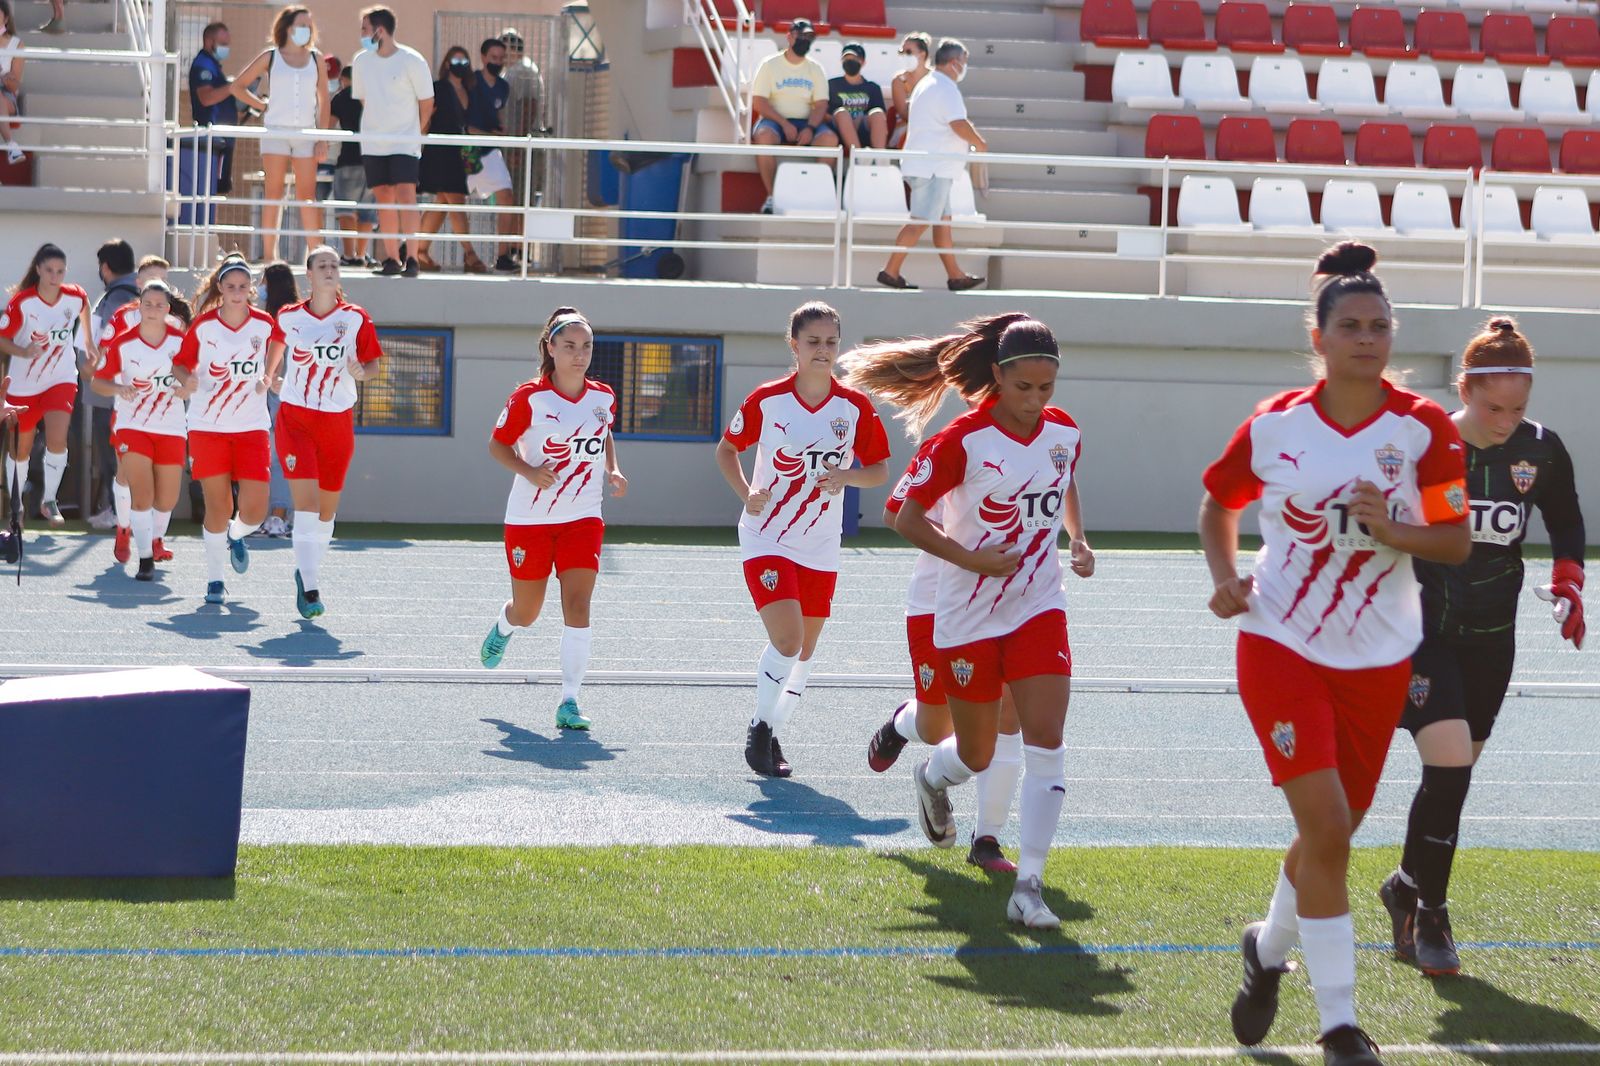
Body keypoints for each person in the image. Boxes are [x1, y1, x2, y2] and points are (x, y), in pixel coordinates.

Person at [1199, 243, 1471, 1066]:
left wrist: (1395, 531)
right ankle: (1339, 1024)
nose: (1367, 337)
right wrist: (1224, 577)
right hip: (1280, 641)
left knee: (1337, 830)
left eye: (1380, 325)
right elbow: (1219, 503)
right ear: (1316, 336)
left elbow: (1455, 542)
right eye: (1350, 325)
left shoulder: (1422, 429)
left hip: (1380, 656)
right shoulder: (1276, 425)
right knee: (1327, 828)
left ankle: (1265, 947)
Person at [845, 312, 1092, 928]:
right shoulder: (961, 441)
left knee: (1046, 740)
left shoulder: (1064, 432)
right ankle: (931, 773)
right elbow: (900, 514)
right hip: (962, 613)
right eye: (1023, 389)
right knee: (964, 746)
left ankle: (1026, 882)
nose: (1036, 402)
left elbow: (1060, 478)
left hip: (1038, 605)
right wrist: (974, 558)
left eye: (1047, 389)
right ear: (997, 380)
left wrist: (1079, 541)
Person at [1380, 317, 1586, 978]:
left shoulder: (1542, 450)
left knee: (1455, 777)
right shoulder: (1425, 443)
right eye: (1492, 406)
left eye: (1517, 407)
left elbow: (1566, 516)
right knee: (1447, 767)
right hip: (1424, 631)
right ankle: (1433, 913)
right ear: (1463, 387)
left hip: (1493, 638)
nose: (1505, 420)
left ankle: (1404, 886)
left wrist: (1569, 581)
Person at [714, 302, 891, 777]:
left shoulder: (853, 407)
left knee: (805, 652)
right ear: (794, 345)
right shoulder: (767, 400)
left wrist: (847, 476)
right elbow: (727, 450)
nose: (823, 350)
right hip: (767, 535)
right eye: (813, 341)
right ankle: (759, 732)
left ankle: (770, 732)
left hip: (821, 545)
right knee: (788, 640)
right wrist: (746, 492)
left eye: (831, 342)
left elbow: (878, 471)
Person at [864, 430, 1026, 874]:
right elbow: (895, 511)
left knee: (1008, 714)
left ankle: (988, 839)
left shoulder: (1051, 436)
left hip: (1008, 604)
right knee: (937, 727)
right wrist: (969, 550)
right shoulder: (953, 443)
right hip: (940, 603)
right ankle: (902, 724)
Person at [479, 307, 627, 734]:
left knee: (578, 605)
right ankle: (505, 625)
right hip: (530, 520)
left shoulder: (603, 396)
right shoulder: (529, 397)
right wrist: (529, 472)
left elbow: (604, 431)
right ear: (551, 348)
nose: (579, 355)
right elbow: (497, 446)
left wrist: (611, 468)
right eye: (569, 347)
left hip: (583, 516)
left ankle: (569, 700)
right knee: (528, 611)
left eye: (586, 347)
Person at [270, 247, 383, 618]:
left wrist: (360, 373)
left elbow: (373, 365)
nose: (331, 270)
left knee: (326, 514)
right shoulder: (289, 317)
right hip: (296, 418)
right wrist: (270, 376)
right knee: (307, 504)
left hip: (337, 419)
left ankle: (306, 573)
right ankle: (313, 586)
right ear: (309, 274)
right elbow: (275, 348)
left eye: (335, 265)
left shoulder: (355, 318)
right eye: (323, 265)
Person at [172, 255, 283, 605]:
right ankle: (215, 580)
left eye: (243, 286)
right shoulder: (203, 326)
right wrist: (187, 380)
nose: (237, 292)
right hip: (208, 426)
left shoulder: (265, 324)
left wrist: (272, 377)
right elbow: (180, 365)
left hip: (251, 426)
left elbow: (278, 355)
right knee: (217, 507)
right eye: (230, 286)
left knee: (254, 512)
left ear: (252, 289)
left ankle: (236, 535)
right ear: (220, 288)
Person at [90, 281, 193, 581]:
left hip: (171, 427)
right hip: (132, 425)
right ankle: (145, 557)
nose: (153, 310)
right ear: (139, 306)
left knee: (167, 499)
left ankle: (152, 537)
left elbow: (191, 377)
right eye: (147, 304)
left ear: (168, 309)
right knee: (142, 494)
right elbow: (98, 381)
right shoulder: (123, 342)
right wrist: (119, 388)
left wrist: (187, 387)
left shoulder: (180, 341)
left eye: (159, 305)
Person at [0, 243, 96, 527]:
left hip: (61, 378)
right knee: (21, 449)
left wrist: (88, 341)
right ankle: (16, 503)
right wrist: (23, 352)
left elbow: (85, 305)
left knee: (58, 437)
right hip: (24, 384)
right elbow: (3, 338)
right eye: (50, 270)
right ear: (39, 270)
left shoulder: (73, 296)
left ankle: (49, 499)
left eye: (60, 271)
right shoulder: (23, 302)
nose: (55, 276)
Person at [879, 38, 985, 293]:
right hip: (933, 168)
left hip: (931, 166)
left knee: (942, 224)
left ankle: (955, 275)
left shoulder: (928, 83)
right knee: (921, 221)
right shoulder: (945, 88)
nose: (964, 68)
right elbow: (958, 123)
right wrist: (980, 144)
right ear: (954, 63)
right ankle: (890, 270)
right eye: (964, 63)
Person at [230, 6, 332, 264]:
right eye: (301, 25)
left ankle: (315, 253)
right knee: (273, 192)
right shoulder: (271, 56)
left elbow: (324, 99)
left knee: (307, 195)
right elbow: (237, 86)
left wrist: (322, 137)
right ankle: (269, 256)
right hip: (275, 131)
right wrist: (263, 106)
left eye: (309, 26)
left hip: (306, 133)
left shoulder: (316, 58)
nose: (306, 30)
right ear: (287, 27)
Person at [98, 255, 178, 563]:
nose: (158, 284)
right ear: (139, 284)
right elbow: (106, 355)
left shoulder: (174, 323)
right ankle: (123, 528)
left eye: (164, 279)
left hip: (164, 413)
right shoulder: (122, 316)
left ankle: (155, 539)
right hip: (129, 407)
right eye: (151, 278)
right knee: (126, 474)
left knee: (163, 482)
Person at [351, 5, 433, 278]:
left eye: (365, 29)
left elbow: (427, 101)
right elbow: (364, 98)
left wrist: (416, 132)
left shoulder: (412, 60)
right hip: (373, 142)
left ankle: (412, 257)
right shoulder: (361, 61)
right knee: (383, 197)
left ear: (380, 30)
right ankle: (391, 258)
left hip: (404, 143)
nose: (361, 34)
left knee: (406, 196)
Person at [749, 20, 839, 214]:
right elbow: (759, 102)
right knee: (763, 136)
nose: (805, 41)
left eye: (809, 37)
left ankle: (815, 197)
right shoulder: (769, 65)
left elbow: (821, 104)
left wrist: (810, 128)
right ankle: (773, 197)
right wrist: (784, 123)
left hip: (807, 122)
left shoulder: (816, 68)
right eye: (802, 36)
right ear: (789, 37)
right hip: (775, 121)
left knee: (830, 140)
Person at [415, 46, 488, 275]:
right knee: (455, 201)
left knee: (443, 203)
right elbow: (426, 115)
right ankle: (470, 254)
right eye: (455, 59)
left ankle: (419, 251)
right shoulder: (438, 88)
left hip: (457, 152)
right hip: (439, 151)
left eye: (464, 59)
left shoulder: (469, 89)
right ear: (447, 63)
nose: (460, 63)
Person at [87, 239, 140, 534]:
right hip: (143, 390)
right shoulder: (146, 293)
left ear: (105, 267)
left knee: (113, 456)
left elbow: (109, 342)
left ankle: (116, 511)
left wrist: (93, 370)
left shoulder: (113, 300)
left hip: (112, 392)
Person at [464, 37, 522, 273]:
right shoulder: (470, 83)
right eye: (493, 58)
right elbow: (467, 124)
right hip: (467, 152)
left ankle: (502, 256)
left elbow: (497, 113)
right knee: (446, 201)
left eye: (501, 58)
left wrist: (500, 130)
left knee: (506, 196)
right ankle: (416, 250)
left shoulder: (503, 87)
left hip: (490, 151)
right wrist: (489, 133)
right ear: (483, 57)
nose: (497, 62)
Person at [257, 261, 300, 539]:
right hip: (266, 395)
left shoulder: (291, 319)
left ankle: (279, 516)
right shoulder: (261, 319)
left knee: (281, 459)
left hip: (285, 397)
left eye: (262, 281)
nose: (257, 288)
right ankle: (269, 516)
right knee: (268, 458)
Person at [328, 64, 376, 267]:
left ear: (345, 79)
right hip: (374, 159)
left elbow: (327, 126)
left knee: (346, 210)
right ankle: (361, 254)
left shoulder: (342, 97)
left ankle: (348, 254)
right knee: (367, 211)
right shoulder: (375, 95)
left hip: (348, 159)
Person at [188, 23, 238, 206]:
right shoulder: (203, 65)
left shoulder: (215, 67)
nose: (226, 48)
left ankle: (209, 229)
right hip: (213, 141)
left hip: (222, 140)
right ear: (210, 41)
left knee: (218, 188)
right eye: (223, 43)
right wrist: (233, 87)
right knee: (210, 188)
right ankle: (205, 229)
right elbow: (206, 98)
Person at [828, 42, 887, 153]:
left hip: (864, 128)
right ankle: (858, 156)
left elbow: (881, 116)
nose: (850, 61)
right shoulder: (831, 85)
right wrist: (847, 121)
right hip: (839, 129)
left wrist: (859, 118)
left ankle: (880, 158)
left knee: (877, 113)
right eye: (846, 58)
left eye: (854, 58)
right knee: (842, 113)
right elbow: (825, 114)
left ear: (863, 62)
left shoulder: (873, 88)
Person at [888, 32, 932, 150]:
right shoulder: (899, 80)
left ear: (922, 55)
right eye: (901, 52)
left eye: (908, 52)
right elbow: (903, 113)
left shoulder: (935, 78)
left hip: (933, 126)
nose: (904, 56)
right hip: (906, 128)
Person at [1, 1, 26, 165]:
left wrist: (3, 78)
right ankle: (12, 146)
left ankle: (11, 146)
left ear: (6, 18)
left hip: (5, 93)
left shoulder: (17, 44)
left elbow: (13, 85)